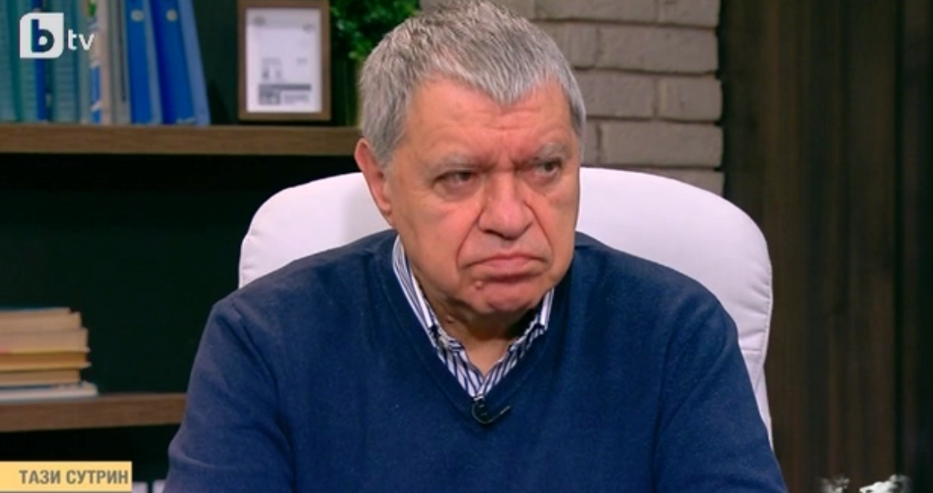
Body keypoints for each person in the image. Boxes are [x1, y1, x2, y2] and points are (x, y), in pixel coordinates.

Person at [163, 1, 788, 491]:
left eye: (545, 168)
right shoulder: (264, 340)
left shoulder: (676, 332)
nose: (510, 218)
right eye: (461, 177)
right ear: (381, 182)